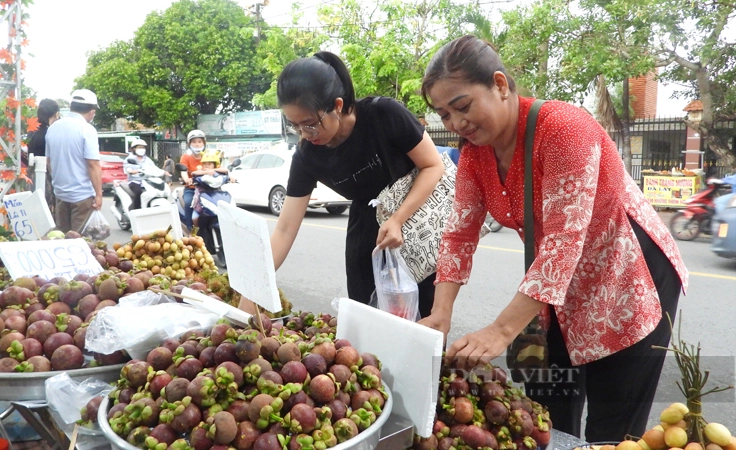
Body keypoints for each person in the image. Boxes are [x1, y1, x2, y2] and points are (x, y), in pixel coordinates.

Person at [418, 35, 688, 440]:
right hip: (552, 288)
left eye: (462, 106)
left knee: (610, 430)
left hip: (626, 275)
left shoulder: (563, 128)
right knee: (546, 412)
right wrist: (441, 313)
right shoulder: (475, 153)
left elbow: (564, 242)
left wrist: (502, 330)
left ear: (500, 85)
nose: (456, 124)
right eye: (443, 114)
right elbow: (459, 234)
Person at [239, 51, 444, 318]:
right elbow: (285, 229)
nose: (304, 134)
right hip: (366, 234)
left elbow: (433, 166)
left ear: (337, 105)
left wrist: (397, 219)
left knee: (421, 322)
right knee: (366, 323)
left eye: (310, 124)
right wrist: (252, 292)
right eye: (295, 126)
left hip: (418, 227)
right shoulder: (307, 155)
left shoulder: (383, 114)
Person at [46, 89, 102, 233]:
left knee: (61, 238)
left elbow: (49, 162)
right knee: (79, 243)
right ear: (92, 111)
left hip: (60, 195)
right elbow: (93, 164)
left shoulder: (53, 128)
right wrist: (99, 194)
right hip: (82, 197)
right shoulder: (87, 129)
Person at [27, 99, 60, 211]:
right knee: (47, 211)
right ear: (56, 114)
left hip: (31, 175)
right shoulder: (51, 132)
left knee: (33, 210)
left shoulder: (32, 130)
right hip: (47, 177)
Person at [179, 130, 213, 228]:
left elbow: (216, 168)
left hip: (208, 188)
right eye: (194, 142)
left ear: (204, 143)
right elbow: (183, 171)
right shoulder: (186, 157)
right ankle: (190, 229)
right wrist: (187, 179)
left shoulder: (208, 156)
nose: (197, 144)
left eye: (199, 141)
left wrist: (228, 175)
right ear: (189, 144)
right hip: (192, 188)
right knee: (189, 203)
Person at [123, 139, 165, 211]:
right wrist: (133, 171)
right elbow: (128, 169)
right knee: (139, 192)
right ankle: (134, 210)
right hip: (135, 181)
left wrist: (163, 171)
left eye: (143, 147)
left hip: (147, 181)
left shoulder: (147, 159)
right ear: (134, 149)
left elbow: (154, 168)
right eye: (139, 147)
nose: (142, 149)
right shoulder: (129, 159)